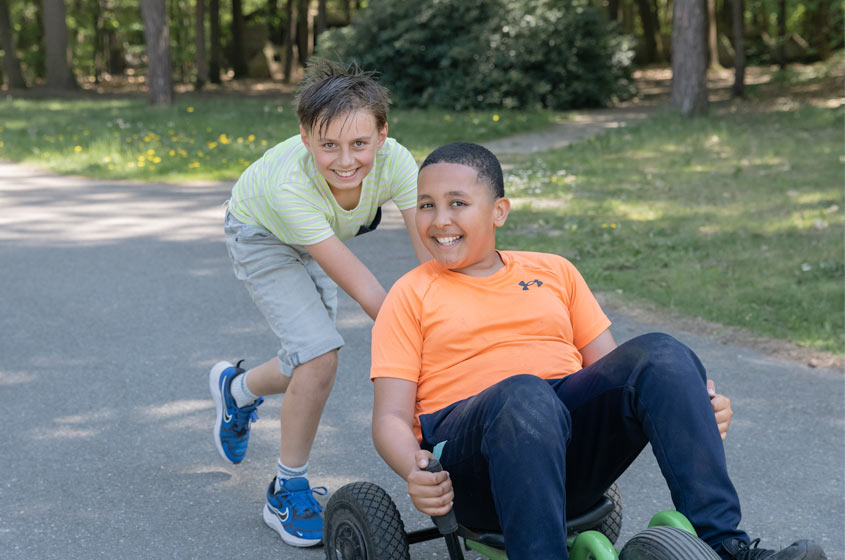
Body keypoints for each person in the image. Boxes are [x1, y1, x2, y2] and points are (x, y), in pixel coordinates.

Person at [370, 141, 826, 560]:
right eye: (426, 205)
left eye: (458, 203)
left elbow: (615, 378)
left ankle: (724, 545)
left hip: (569, 454)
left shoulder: (555, 272)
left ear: (499, 211)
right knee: (524, 394)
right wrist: (416, 470)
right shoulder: (411, 295)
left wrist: (689, 403)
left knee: (660, 355)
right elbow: (391, 417)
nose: (439, 220)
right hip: (476, 466)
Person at [209, 59, 430, 548]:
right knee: (318, 356)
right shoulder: (293, 185)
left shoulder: (397, 161)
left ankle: (238, 389)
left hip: (314, 234)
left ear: (383, 135)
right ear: (306, 138)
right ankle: (286, 489)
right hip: (260, 233)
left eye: (360, 144)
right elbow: (365, 288)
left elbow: (432, 256)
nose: (346, 160)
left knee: (309, 362)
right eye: (329, 145)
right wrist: (422, 339)